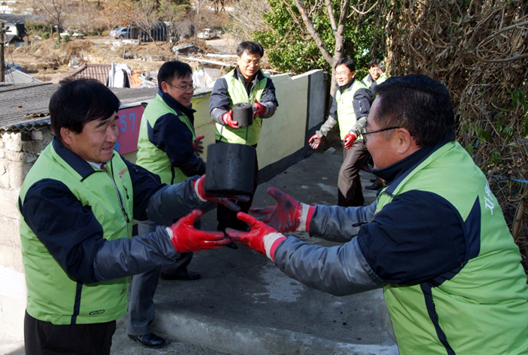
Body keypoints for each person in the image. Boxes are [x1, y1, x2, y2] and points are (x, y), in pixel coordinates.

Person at [227, 75, 528, 354]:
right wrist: (305, 217)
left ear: (401, 139)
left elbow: (338, 270)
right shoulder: (446, 163)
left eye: (368, 131)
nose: (364, 140)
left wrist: (269, 243)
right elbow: (377, 217)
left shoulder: (426, 211)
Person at [17, 78, 240, 355]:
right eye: (102, 128)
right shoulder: (48, 188)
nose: (114, 136)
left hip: (101, 315)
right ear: (67, 134)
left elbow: (150, 199)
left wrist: (198, 190)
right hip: (63, 327)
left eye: (114, 123)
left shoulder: (108, 159)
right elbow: (89, 258)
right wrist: (169, 241)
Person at [128, 60, 206, 348]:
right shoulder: (167, 117)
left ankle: (174, 268)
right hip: (155, 194)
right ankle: (137, 324)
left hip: (171, 188)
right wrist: (214, 177)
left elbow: (179, 147)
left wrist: (187, 145)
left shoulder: (169, 108)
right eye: (182, 86)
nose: (188, 91)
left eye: (190, 85)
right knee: (148, 260)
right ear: (165, 87)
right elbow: (185, 161)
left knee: (192, 222)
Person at [209, 40, 278, 231]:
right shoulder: (224, 81)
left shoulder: (265, 82)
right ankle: (225, 229)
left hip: (250, 145)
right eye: (248, 61)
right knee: (228, 191)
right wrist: (225, 117)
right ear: (238, 59)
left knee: (248, 187)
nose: (252, 65)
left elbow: (271, 106)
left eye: (256, 61)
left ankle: (240, 224)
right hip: (228, 145)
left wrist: (262, 108)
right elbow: (215, 108)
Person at [308, 58, 372, 207]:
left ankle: (343, 211)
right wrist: (320, 133)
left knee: (346, 173)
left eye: (343, 73)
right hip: (346, 141)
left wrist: (353, 133)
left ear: (353, 74)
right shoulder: (339, 92)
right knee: (351, 174)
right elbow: (333, 117)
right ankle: (357, 207)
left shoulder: (360, 91)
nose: (339, 76)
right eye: (337, 73)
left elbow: (365, 117)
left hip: (360, 140)